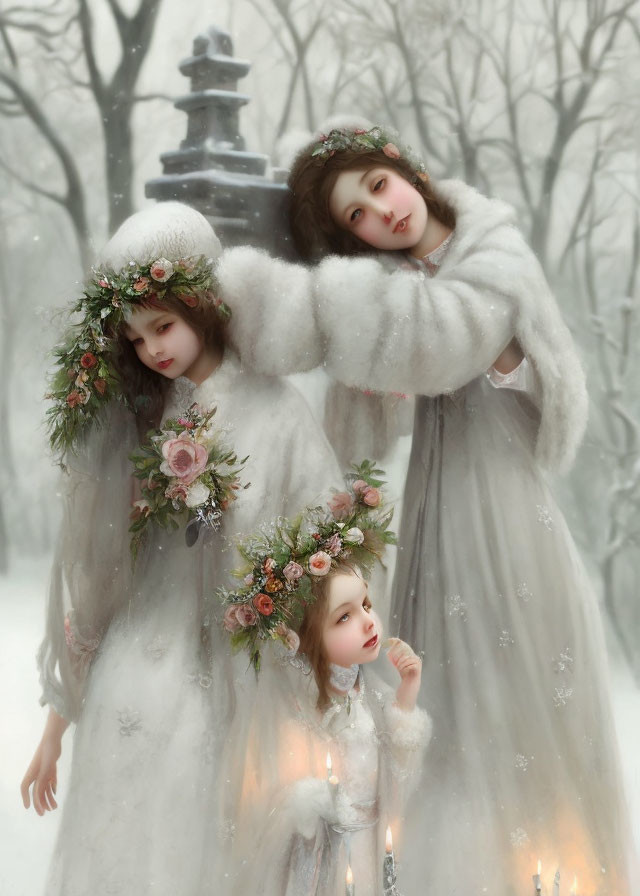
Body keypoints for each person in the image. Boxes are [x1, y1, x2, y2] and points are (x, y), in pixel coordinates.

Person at [213, 127, 636, 894]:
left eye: (378, 187)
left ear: (405, 170)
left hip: (508, 492)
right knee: (447, 688)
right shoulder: (391, 300)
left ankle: (552, 866)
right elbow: (364, 421)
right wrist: (383, 371)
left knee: (531, 675)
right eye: (358, 219)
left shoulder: (495, 250)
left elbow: (554, 389)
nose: (383, 214)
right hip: (440, 494)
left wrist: (502, 361)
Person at [20, 201, 341, 896]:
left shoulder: (278, 410)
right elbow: (102, 582)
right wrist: (57, 725)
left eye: (163, 326)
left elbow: (327, 547)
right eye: (135, 339)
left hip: (240, 683)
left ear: (202, 306)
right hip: (137, 674)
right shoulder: (143, 424)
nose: (153, 349)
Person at [217, 476, 431, 895]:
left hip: (369, 850)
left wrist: (406, 695)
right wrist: (308, 802)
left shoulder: (368, 696)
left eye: (365, 605)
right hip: (323, 863)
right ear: (310, 638)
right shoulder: (298, 710)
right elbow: (269, 796)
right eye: (344, 616)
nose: (369, 621)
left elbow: (400, 776)